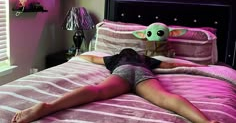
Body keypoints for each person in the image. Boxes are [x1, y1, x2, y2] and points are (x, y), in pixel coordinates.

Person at [12, 48, 220, 123]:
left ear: (121, 53)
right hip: (142, 74)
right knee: (165, 98)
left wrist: (79, 55)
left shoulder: (114, 59)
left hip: (122, 73)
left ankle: (48, 107)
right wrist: (202, 65)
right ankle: (205, 121)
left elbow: (92, 59)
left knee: (97, 91)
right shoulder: (146, 59)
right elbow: (171, 64)